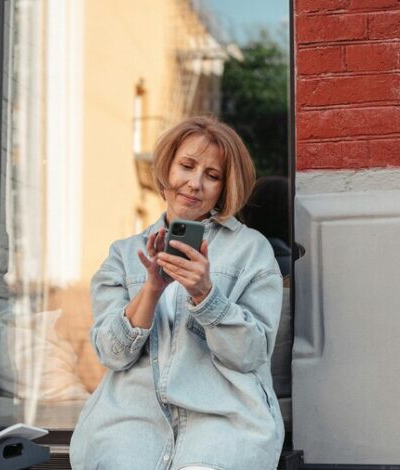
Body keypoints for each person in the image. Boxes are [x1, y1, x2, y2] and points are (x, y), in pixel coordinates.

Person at [70, 116, 284, 470]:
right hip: (129, 426)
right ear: (167, 167)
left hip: (223, 423)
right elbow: (111, 354)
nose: (195, 183)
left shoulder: (251, 250)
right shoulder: (124, 255)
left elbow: (250, 354)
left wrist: (206, 295)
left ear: (224, 187)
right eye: (186, 166)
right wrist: (151, 290)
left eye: (212, 175)